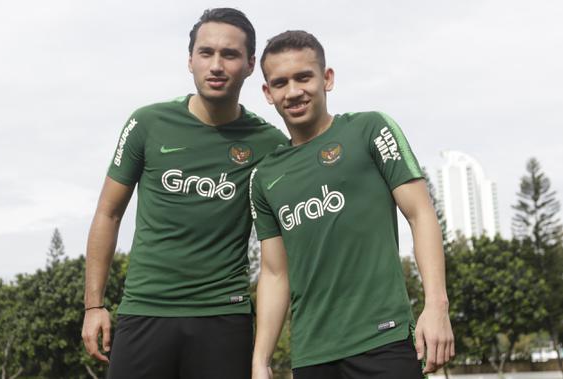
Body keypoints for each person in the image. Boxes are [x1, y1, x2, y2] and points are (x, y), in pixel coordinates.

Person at [81, 8, 287, 379]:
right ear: (190, 60)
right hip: (145, 310)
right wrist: (93, 306)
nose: (217, 65)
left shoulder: (270, 144)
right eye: (206, 53)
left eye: (230, 54)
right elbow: (108, 213)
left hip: (223, 315)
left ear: (251, 64)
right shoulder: (147, 123)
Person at [250, 30, 454, 379]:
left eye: (304, 77)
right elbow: (273, 272)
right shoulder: (264, 176)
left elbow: (420, 214)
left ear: (327, 79)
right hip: (312, 355)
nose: (294, 91)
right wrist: (260, 359)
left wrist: (436, 306)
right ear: (268, 93)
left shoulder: (370, 130)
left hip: (384, 340)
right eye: (280, 82)